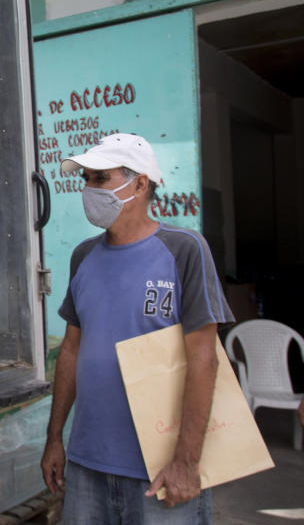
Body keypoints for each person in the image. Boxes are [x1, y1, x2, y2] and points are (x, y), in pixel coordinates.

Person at [40, 133, 234, 524]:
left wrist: (186, 461)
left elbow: (202, 358)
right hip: (87, 466)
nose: (89, 190)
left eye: (100, 178)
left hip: (160, 470)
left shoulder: (184, 250)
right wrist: (54, 437)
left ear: (140, 183)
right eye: (86, 180)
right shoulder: (84, 256)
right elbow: (72, 351)